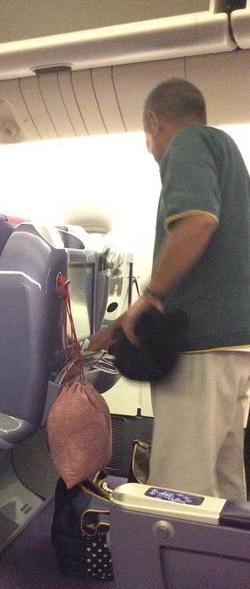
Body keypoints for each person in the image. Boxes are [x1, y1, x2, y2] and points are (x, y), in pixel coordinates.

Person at [90, 78, 250, 499]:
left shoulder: (187, 143)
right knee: (224, 486)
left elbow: (198, 222)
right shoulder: (227, 152)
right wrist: (122, 323)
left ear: (154, 122)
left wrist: (151, 295)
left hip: (200, 349)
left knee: (180, 488)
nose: (151, 149)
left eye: (148, 138)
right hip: (233, 346)